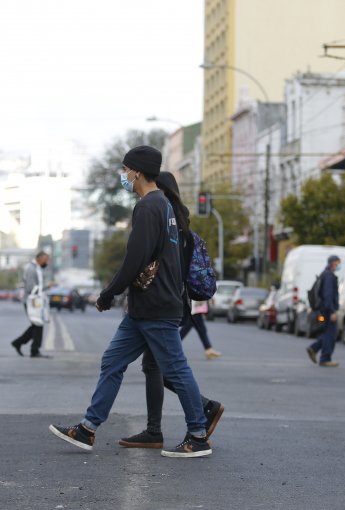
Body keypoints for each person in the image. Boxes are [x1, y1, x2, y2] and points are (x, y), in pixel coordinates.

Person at [49, 146, 211, 458]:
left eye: (126, 170)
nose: (124, 176)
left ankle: (198, 434)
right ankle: (87, 428)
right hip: (145, 308)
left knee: (176, 369)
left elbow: (135, 259)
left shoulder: (149, 207)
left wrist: (108, 293)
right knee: (113, 361)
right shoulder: (163, 205)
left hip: (156, 307)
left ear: (137, 171)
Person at [118, 171, 224, 450]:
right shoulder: (180, 226)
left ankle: (197, 414)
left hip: (162, 306)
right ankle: (162, 427)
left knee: (168, 368)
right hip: (171, 304)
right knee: (155, 366)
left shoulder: (170, 226)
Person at [11, 252, 51, 358]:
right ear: (40, 259)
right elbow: (30, 288)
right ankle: (34, 350)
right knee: (38, 324)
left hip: (36, 301)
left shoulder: (36, 268)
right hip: (31, 302)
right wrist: (46, 287)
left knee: (36, 325)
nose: (47, 262)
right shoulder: (31, 269)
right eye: (46, 260)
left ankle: (19, 343)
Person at [306, 255, 340, 367]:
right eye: (337, 263)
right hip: (327, 310)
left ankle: (314, 348)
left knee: (326, 332)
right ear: (332, 263)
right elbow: (328, 295)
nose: (339, 265)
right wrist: (331, 312)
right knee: (330, 333)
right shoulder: (329, 276)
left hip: (322, 310)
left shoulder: (324, 274)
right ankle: (325, 358)